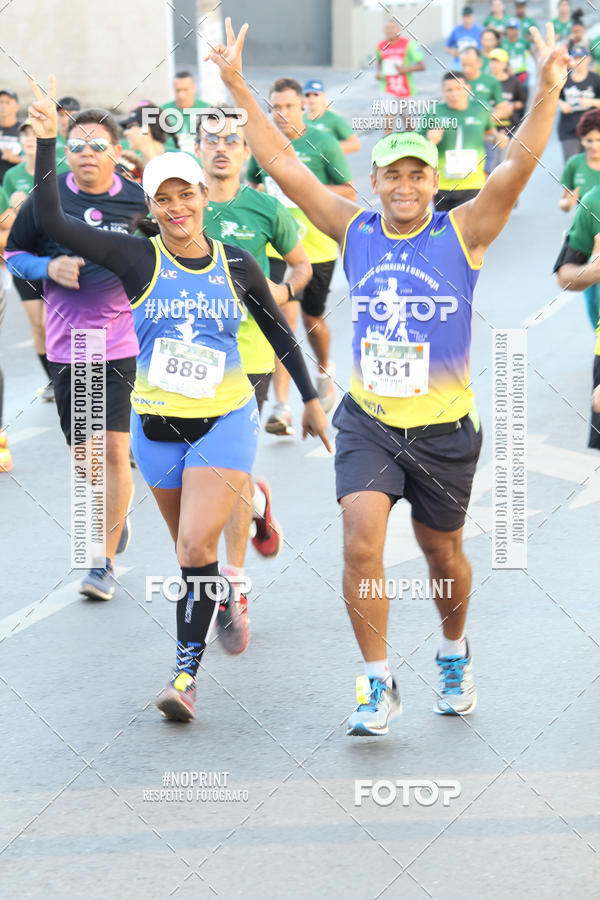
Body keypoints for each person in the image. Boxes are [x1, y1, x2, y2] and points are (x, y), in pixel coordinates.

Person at [210, 18, 568, 734]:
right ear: (374, 180)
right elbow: (284, 163)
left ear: (434, 184)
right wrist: (235, 87)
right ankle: (377, 683)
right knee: (360, 541)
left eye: (417, 174)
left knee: (443, 554)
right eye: (393, 174)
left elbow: (520, 164)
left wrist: (548, 90)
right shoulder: (355, 229)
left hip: (443, 428)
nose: (404, 185)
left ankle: (453, 650)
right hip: (369, 420)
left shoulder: (462, 232)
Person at [28, 74, 329, 723]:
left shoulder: (238, 263)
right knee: (193, 558)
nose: (176, 207)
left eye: (185, 195)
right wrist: (49, 139)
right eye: (164, 199)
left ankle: (183, 680)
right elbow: (49, 218)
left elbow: (280, 331)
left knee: (195, 546)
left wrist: (308, 398)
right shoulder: (135, 258)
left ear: (200, 198)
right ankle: (233, 561)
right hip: (157, 429)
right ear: (155, 206)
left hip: (223, 421)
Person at [6, 107, 147, 600]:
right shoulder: (49, 198)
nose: (87, 154)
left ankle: (102, 562)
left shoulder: (137, 198)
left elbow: (166, 254)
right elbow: (12, 253)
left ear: (115, 151)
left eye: (97, 145)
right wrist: (49, 266)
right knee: (86, 457)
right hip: (72, 346)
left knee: (112, 451)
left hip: (123, 341)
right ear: (66, 153)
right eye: (77, 146)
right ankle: (116, 513)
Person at [195, 111, 312, 651]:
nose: (222, 148)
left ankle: (234, 586)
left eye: (232, 141)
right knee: (200, 473)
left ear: (245, 152)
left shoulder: (265, 208)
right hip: (181, 356)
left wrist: (279, 299)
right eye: (212, 140)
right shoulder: (177, 205)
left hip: (247, 356)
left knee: (230, 468)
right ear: (196, 148)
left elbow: (301, 266)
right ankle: (258, 504)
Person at [245, 77, 356, 434]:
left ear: (302, 108)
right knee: (284, 320)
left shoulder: (322, 142)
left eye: (289, 106)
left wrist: (305, 187)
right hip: (277, 247)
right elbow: (251, 182)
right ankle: (280, 407)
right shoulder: (262, 146)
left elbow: (349, 191)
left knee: (312, 321)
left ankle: (324, 368)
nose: (281, 114)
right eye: (275, 107)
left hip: (318, 247)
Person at [2, 120, 54, 401]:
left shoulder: (59, 168)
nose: (29, 139)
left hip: (54, 253)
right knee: (39, 325)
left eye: (34, 134)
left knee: (61, 321)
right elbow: (6, 221)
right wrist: (14, 207)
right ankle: (53, 381)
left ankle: (70, 376)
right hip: (25, 256)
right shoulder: (12, 176)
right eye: (24, 135)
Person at [424, 71, 506, 211]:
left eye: (458, 89)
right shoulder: (434, 112)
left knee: (471, 231)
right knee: (445, 231)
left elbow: (489, 134)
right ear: (443, 91)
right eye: (449, 90)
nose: (454, 94)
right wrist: (430, 140)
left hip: (474, 183)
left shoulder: (481, 108)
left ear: (468, 88)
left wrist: (498, 139)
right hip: (442, 185)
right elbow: (417, 145)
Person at [558, 46, 600, 162]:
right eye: (576, 58)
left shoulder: (595, 79)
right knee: (572, 162)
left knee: (592, 162)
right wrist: (561, 104)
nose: (579, 62)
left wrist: (592, 102)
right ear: (570, 61)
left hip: (592, 129)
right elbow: (553, 95)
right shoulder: (564, 79)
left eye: (582, 58)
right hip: (569, 128)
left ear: (588, 59)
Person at [302, 80, 361, 154]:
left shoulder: (335, 119)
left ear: (323, 96)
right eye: (307, 95)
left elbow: (355, 144)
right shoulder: (300, 120)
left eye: (316, 95)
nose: (311, 98)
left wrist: (326, 150)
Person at [375, 19, 425, 107]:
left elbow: (422, 66)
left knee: (407, 119)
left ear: (399, 30)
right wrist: (378, 73)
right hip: (388, 89)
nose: (389, 30)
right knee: (388, 117)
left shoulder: (409, 44)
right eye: (387, 28)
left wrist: (404, 69)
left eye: (392, 28)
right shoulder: (380, 46)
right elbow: (379, 62)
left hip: (406, 89)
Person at [559, 108, 600, 213]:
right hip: (584, 225)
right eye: (589, 141)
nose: (594, 146)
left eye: (598, 140)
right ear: (581, 139)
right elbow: (563, 202)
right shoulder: (574, 163)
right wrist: (567, 204)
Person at [161, 71, 210, 155]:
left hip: (199, 159)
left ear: (194, 87)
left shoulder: (206, 109)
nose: (181, 95)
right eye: (178, 90)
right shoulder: (163, 110)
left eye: (185, 90)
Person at [488, 48, 527, 147]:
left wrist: (511, 106)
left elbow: (522, 102)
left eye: (498, 62)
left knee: (508, 159)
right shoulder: (486, 82)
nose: (494, 65)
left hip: (510, 126)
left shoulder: (513, 82)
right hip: (491, 127)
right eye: (492, 61)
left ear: (505, 64)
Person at [501, 18, 531, 103]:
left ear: (518, 30)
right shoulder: (503, 43)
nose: (511, 31)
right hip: (508, 74)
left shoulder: (523, 42)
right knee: (509, 98)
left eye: (514, 29)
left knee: (523, 98)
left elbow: (531, 52)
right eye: (509, 29)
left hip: (521, 75)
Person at [0, 89, 22, 182]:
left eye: (8, 102)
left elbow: (35, 159)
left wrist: (16, 159)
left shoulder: (25, 129)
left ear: (16, 107)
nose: (3, 106)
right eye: (1, 102)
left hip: (16, 183)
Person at [56, 96, 80, 174]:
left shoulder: (86, 138)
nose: (65, 119)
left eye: (69, 114)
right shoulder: (51, 138)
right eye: (61, 115)